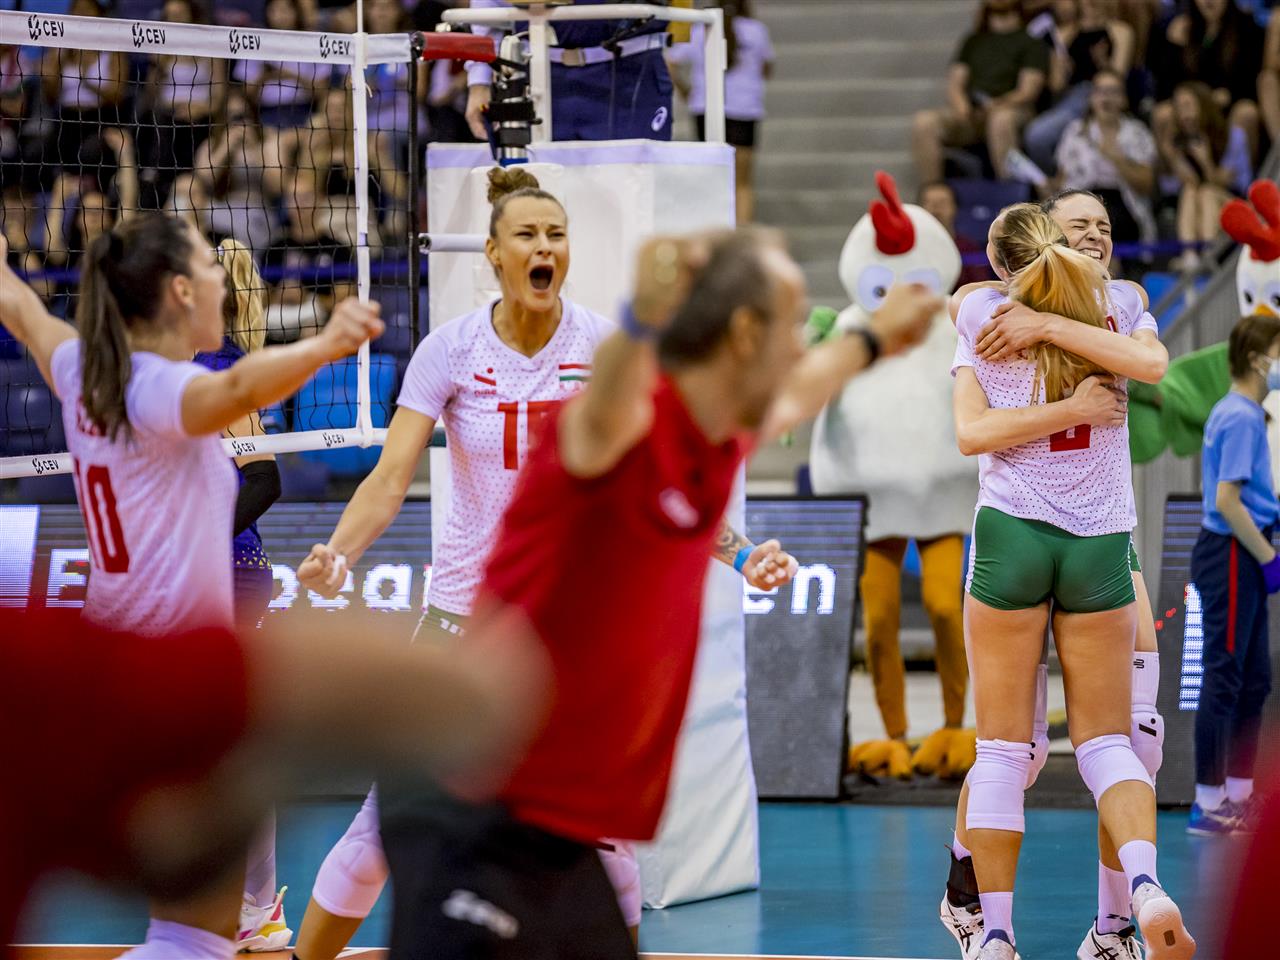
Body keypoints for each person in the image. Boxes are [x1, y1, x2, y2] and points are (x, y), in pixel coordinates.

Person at [364, 228, 940, 958]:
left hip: (551, 821)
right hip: (471, 796)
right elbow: (606, 404)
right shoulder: (618, 426)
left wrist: (875, 337)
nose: (801, 343)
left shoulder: (714, 441)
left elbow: (798, 392)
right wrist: (642, 315)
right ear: (743, 334)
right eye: (791, 324)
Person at [290, 167, 792, 957]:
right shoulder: (449, 349)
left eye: (556, 235)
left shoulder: (604, 347)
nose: (544, 247)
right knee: (380, 833)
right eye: (527, 234)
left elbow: (662, 472)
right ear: (494, 253)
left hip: (571, 636)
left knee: (602, 845)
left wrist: (742, 555)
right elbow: (388, 481)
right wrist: (337, 555)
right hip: (464, 621)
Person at [0, 212, 382, 960]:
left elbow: (20, 309)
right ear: (179, 290)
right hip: (172, 681)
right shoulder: (159, 385)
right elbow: (236, 385)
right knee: (196, 934)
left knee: (189, 929)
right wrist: (329, 343)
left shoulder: (82, 368)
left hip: (120, 660)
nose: (225, 281)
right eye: (210, 266)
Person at [0, 600, 546, 960]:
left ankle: (258, 911)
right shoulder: (39, 673)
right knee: (362, 832)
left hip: (473, 641)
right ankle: (261, 917)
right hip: (466, 636)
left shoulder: (39, 673)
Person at [950, 204, 1191, 960]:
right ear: (1056, 240)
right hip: (1098, 543)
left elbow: (969, 428)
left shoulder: (987, 312)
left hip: (1014, 536)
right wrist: (1078, 402)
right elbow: (1150, 364)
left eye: (1104, 225)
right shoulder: (1119, 306)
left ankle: (998, 933)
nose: (1095, 236)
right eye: (1080, 226)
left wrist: (1036, 320)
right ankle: (1144, 886)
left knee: (1001, 751)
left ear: (1000, 262)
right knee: (1111, 743)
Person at [192, 239, 289, 950]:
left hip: (230, 574)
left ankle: (256, 906)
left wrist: (195, 539)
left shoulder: (219, 370)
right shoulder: (181, 369)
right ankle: (234, 902)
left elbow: (265, 478)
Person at [1187, 313, 1280, 835]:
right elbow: (1227, 500)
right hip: (1230, 552)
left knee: (1254, 678)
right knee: (1224, 675)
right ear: (1256, 359)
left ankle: (1238, 795)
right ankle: (1209, 801)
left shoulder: (1243, 413)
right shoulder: (1241, 417)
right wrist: (1267, 557)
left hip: (1242, 549)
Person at [465, 0, 676, 143]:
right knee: (541, 185)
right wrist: (479, 81)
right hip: (540, 75)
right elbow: (488, 8)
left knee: (637, 185)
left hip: (631, 73)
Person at [912, 0, 1049, 182]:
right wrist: (962, 106)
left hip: (1011, 110)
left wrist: (997, 105)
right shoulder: (974, 41)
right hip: (973, 112)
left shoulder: (1031, 43)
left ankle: (1009, 191)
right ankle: (933, 191)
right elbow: (955, 82)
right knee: (924, 122)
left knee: (1000, 120)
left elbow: (1028, 91)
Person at [666, 0, 775, 224]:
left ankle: (713, 229)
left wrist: (685, 90)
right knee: (742, 183)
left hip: (707, 107)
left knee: (712, 176)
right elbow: (767, 68)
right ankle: (741, 233)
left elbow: (671, 61)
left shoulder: (701, 28)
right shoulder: (755, 30)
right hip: (744, 108)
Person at [1023, 0, 1135, 173]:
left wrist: (1103, 63)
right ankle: (1055, 179)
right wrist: (1062, 68)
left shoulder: (1120, 30)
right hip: (1068, 98)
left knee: (1037, 135)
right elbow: (1056, 86)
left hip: (1100, 93)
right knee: (1035, 137)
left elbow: (1118, 78)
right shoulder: (1063, 33)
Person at [1050, 69, 1156, 250]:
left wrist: (1116, 158)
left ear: (1123, 99)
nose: (1106, 98)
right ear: (1092, 98)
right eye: (1100, 91)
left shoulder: (1137, 133)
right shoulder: (1075, 132)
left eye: (1113, 91)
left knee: (1103, 221)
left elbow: (1147, 185)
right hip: (1082, 203)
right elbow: (1062, 181)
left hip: (1124, 205)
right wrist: (1047, 185)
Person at [1158, 81, 1254, 273]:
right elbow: (1177, 187)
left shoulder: (1232, 136)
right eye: (1178, 108)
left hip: (1232, 201)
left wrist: (1206, 162)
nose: (1184, 114)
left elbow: (1229, 182)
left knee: (1207, 192)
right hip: (1199, 210)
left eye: (1187, 105)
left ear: (1203, 105)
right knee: (1191, 190)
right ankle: (1190, 255)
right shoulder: (1179, 143)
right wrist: (1173, 157)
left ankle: (1209, 253)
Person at [919, 180, 994, 288]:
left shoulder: (969, 248)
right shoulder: (912, 247)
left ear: (955, 207)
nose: (935, 208)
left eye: (942, 202)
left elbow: (979, 287)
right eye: (929, 202)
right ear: (919, 208)